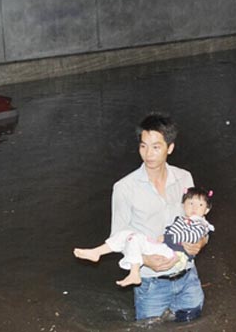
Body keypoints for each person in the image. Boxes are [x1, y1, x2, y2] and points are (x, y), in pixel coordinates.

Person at [84, 112, 208, 322]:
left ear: (170, 148)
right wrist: (146, 260)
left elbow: (198, 219)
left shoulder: (184, 178)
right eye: (143, 146)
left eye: (156, 147)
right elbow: (119, 238)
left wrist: (201, 242)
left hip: (188, 276)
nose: (148, 153)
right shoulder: (124, 188)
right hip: (151, 284)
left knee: (192, 321)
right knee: (151, 326)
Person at [74, 186, 215, 288]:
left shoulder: (201, 224)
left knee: (135, 239)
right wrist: (166, 237)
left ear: (206, 210)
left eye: (200, 204)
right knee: (130, 236)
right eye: (191, 203)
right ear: (183, 205)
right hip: (164, 249)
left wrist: (167, 238)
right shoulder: (182, 219)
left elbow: (190, 237)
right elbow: (174, 231)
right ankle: (98, 252)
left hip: (175, 255)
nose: (195, 207)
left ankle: (134, 272)